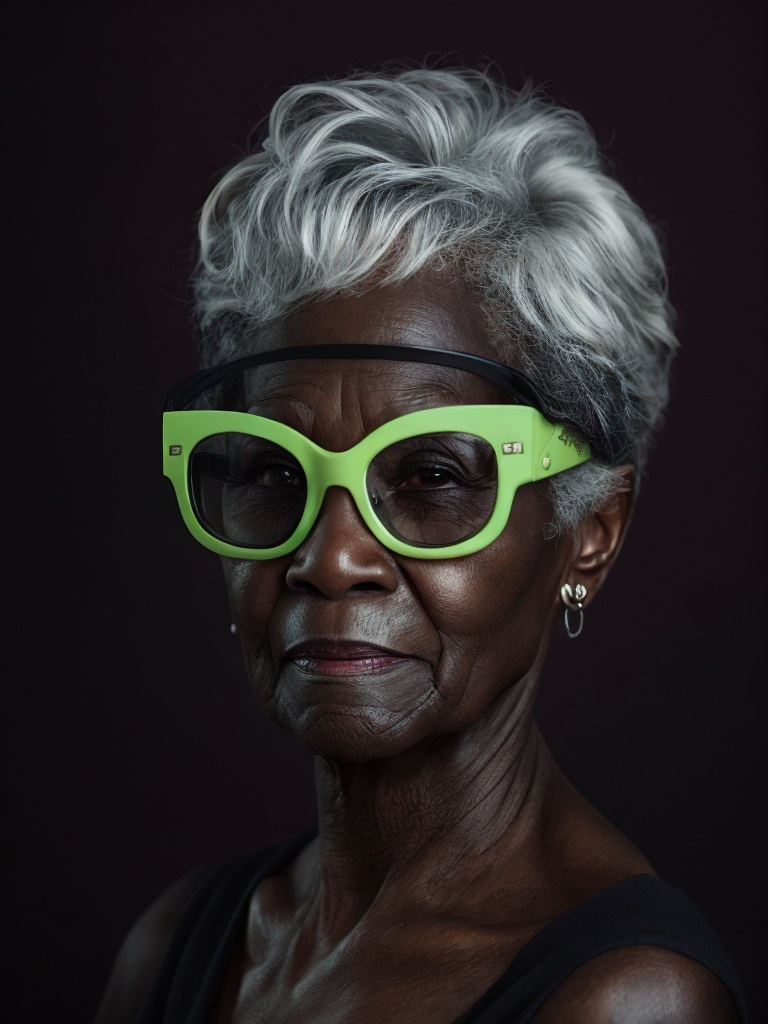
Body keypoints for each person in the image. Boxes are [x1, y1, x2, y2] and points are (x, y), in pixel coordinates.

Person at [94, 67, 747, 1023]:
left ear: (588, 536)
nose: (330, 558)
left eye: (432, 478)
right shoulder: (177, 945)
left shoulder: (622, 1000)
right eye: (277, 474)